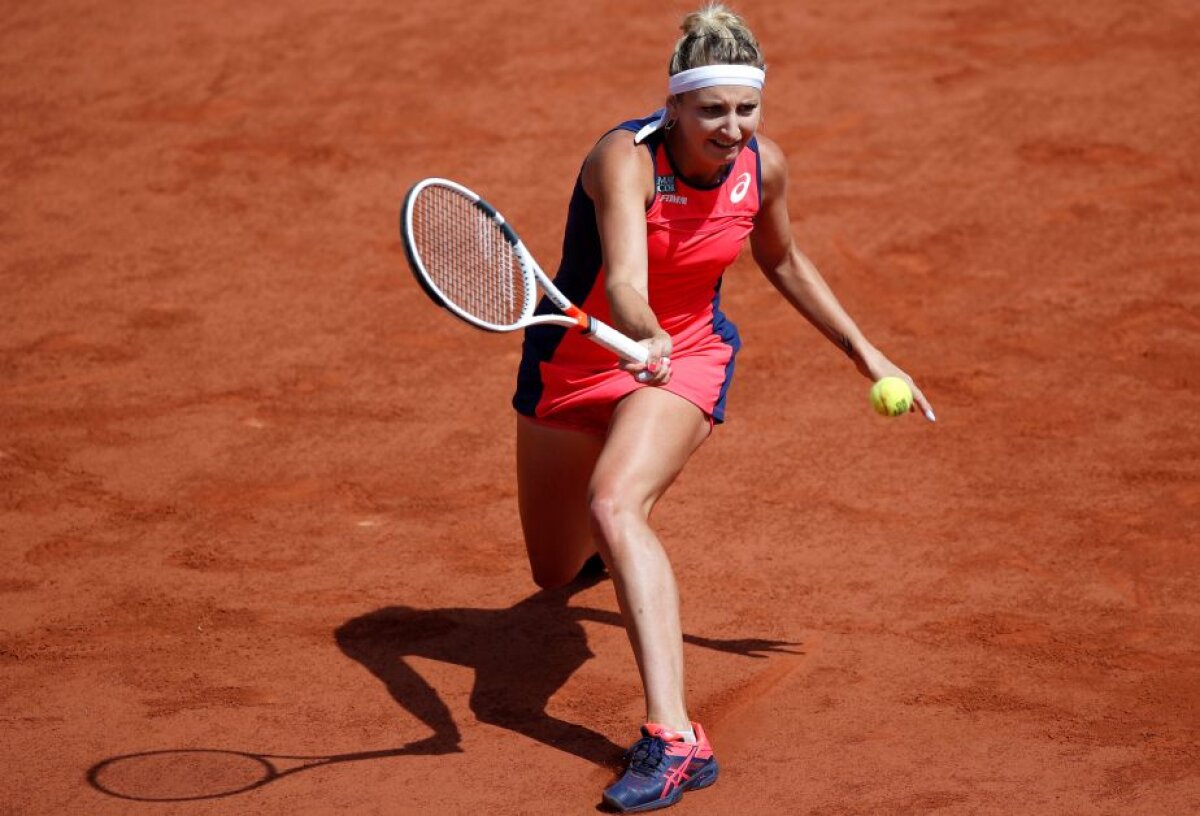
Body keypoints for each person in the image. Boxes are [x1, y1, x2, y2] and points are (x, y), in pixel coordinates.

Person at [511, 3, 934, 811]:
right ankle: (608, 554)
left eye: (746, 108)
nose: (732, 127)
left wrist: (867, 354)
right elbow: (625, 280)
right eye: (711, 109)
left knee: (614, 502)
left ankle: (673, 738)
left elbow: (785, 259)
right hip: (575, 365)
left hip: (688, 357)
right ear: (674, 104)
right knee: (552, 571)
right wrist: (640, 331)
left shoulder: (762, 167)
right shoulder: (624, 160)